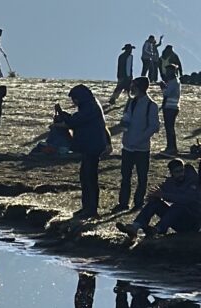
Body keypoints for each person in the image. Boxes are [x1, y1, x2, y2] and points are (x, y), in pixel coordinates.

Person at [61, 85, 110, 216]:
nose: (74, 102)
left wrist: (62, 114)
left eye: (74, 99)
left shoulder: (89, 106)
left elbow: (75, 121)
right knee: (85, 177)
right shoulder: (91, 104)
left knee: (89, 178)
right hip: (90, 146)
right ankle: (87, 207)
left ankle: (91, 209)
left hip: (92, 147)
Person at [117, 76, 162, 212]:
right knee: (125, 176)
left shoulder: (151, 105)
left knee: (142, 177)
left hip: (141, 149)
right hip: (127, 147)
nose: (132, 88)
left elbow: (154, 126)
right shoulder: (131, 102)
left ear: (140, 87)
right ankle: (123, 203)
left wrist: (139, 139)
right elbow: (127, 119)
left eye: (134, 86)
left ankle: (138, 202)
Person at [126, 161, 201, 240]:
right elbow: (160, 192)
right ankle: (135, 227)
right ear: (171, 173)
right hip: (178, 220)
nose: (180, 174)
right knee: (154, 202)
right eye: (177, 172)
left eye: (182, 170)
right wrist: (153, 196)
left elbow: (186, 199)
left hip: (192, 222)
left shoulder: (194, 181)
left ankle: (158, 229)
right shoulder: (170, 182)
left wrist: (162, 195)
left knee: (179, 206)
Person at [162, 62, 182, 156]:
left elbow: (167, 93)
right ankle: (171, 147)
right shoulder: (174, 81)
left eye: (168, 70)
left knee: (169, 128)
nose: (166, 72)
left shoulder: (173, 81)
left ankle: (171, 148)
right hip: (171, 107)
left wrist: (162, 87)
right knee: (169, 128)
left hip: (171, 107)